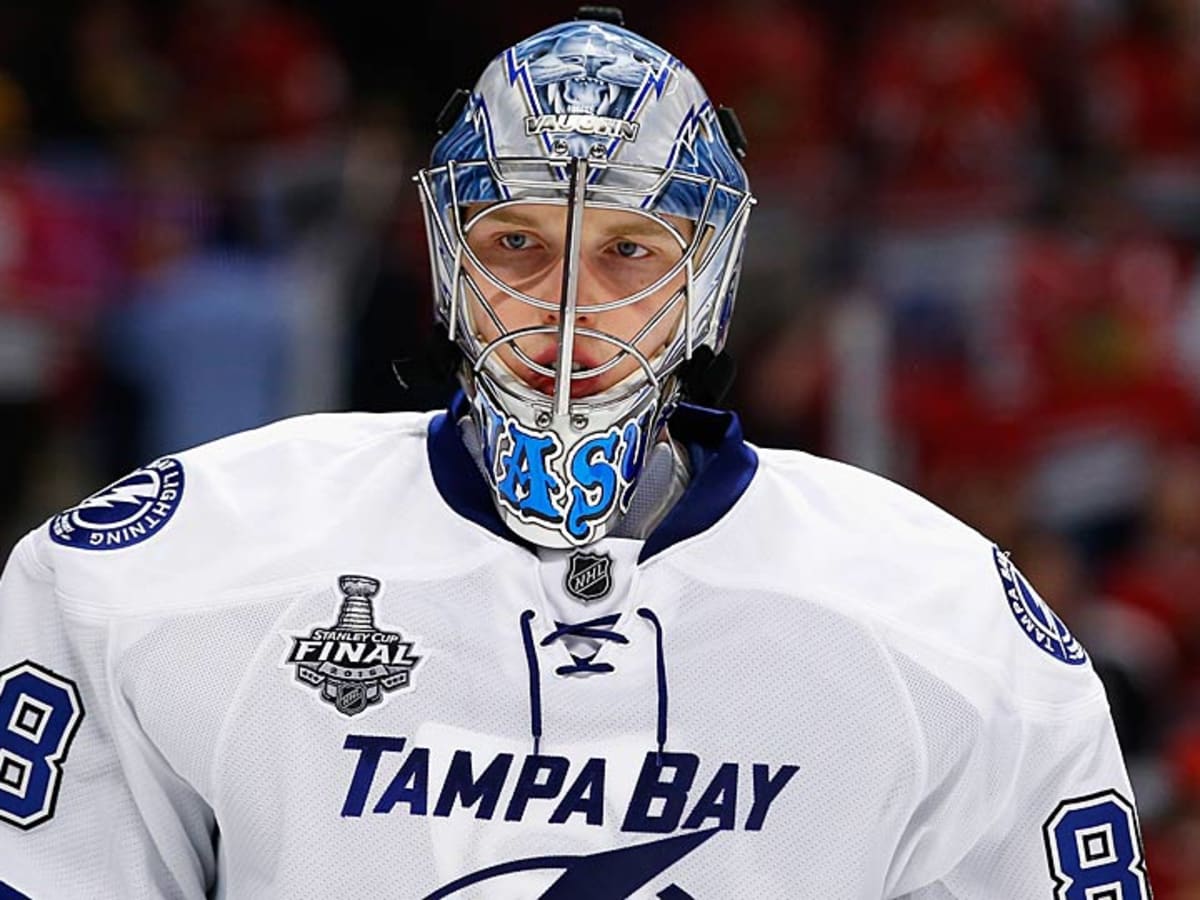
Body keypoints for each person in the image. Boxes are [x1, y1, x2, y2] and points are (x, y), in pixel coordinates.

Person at [0, 9, 1151, 898]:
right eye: (517, 242)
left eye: (629, 250)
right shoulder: (181, 560)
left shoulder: (942, 617)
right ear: (448, 259)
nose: (566, 308)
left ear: (709, 275)